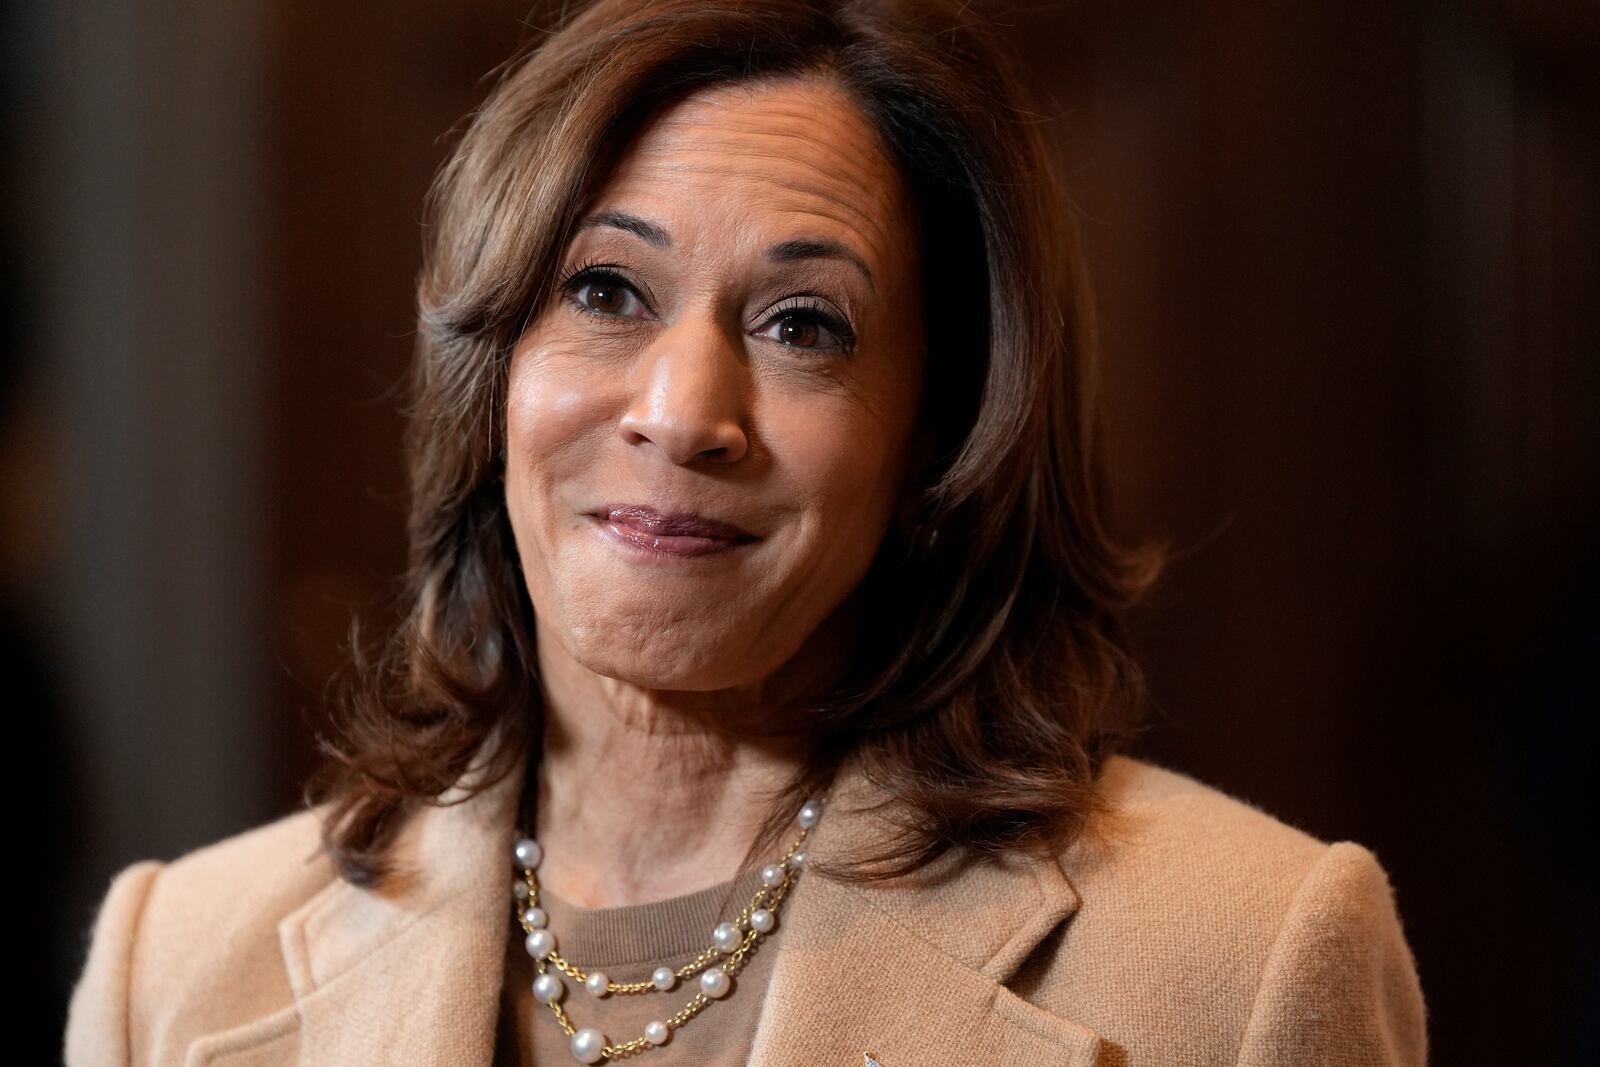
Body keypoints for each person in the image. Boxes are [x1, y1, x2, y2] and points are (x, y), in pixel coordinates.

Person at [63, 0, 1428, 1063]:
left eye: (801, 324)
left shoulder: (1246, 958)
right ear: (494, 374)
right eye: (606, 289)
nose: (683, 411)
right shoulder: (173, 966)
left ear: (940, 432)